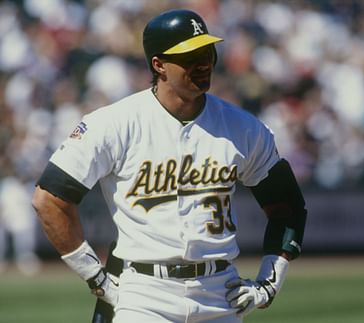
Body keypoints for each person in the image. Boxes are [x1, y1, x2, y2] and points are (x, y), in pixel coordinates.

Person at [32, 8, 307, 323]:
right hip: (143, 294)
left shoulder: (243, 128)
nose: (204, 63)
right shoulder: (114, 123)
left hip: (220, 291)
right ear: (158, 64)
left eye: (208, 51)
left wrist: (270, 281)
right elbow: (49, 200)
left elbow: (288, 207)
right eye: (190, 56)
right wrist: (95, 277)